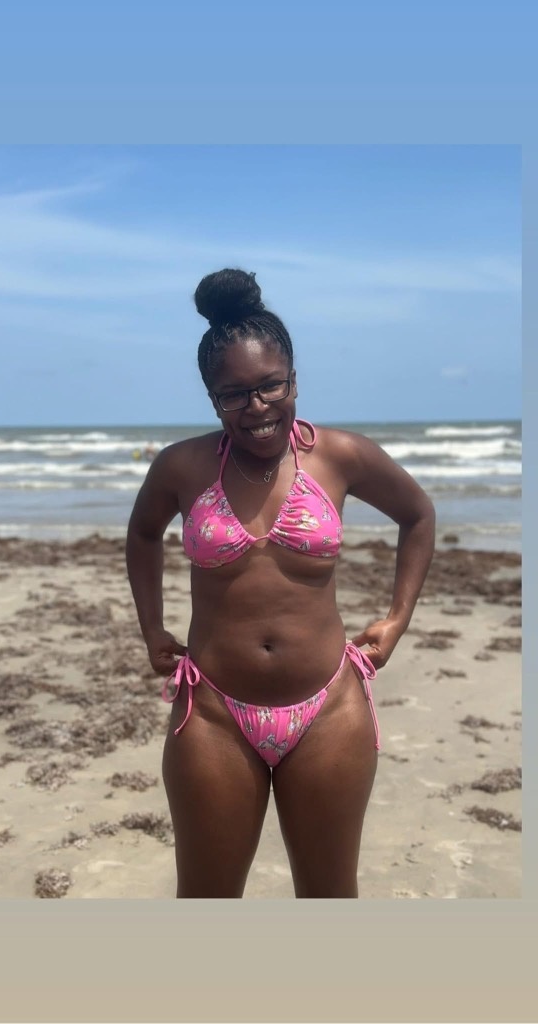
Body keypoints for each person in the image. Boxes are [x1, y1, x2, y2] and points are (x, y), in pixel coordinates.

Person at [126, 268, 435, 899]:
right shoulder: (182, 466)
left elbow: (418, 515)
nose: (258, 407)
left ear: (294, 378)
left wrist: (397, 618)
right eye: (234, 395)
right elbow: (142, 534)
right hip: (213, 715)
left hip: (330, 712)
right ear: (212, 398)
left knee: (328, 900)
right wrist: (151, 627)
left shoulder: (340, 456)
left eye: (272, 385)